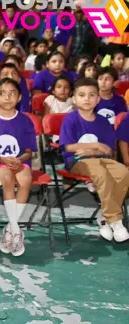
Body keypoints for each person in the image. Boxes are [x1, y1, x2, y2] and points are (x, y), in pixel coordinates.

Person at [61, 78, 129, 242]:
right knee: (101, 173)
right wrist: (96, 145)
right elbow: (68, 148)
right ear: (74, 99)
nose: (87, 99)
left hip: (101, 159)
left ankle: (105, 218)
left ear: (98, 99)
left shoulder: (103, 121)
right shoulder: (71, 119)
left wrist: (92, 149)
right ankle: (115, 220)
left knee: (123, 173)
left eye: (92, 95)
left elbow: (108, 149)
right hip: (77, 162)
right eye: (82, 95)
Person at [0, 78, 37, 256]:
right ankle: (15, 229)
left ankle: (11, 228)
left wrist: (20, 160)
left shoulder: (25, 121)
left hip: (20, 161)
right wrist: (3, 160)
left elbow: (29, 151)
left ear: (19, 97)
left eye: (12, 93)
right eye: (2, 93)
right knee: (7, 178)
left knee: (26, 180)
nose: (7, 97)